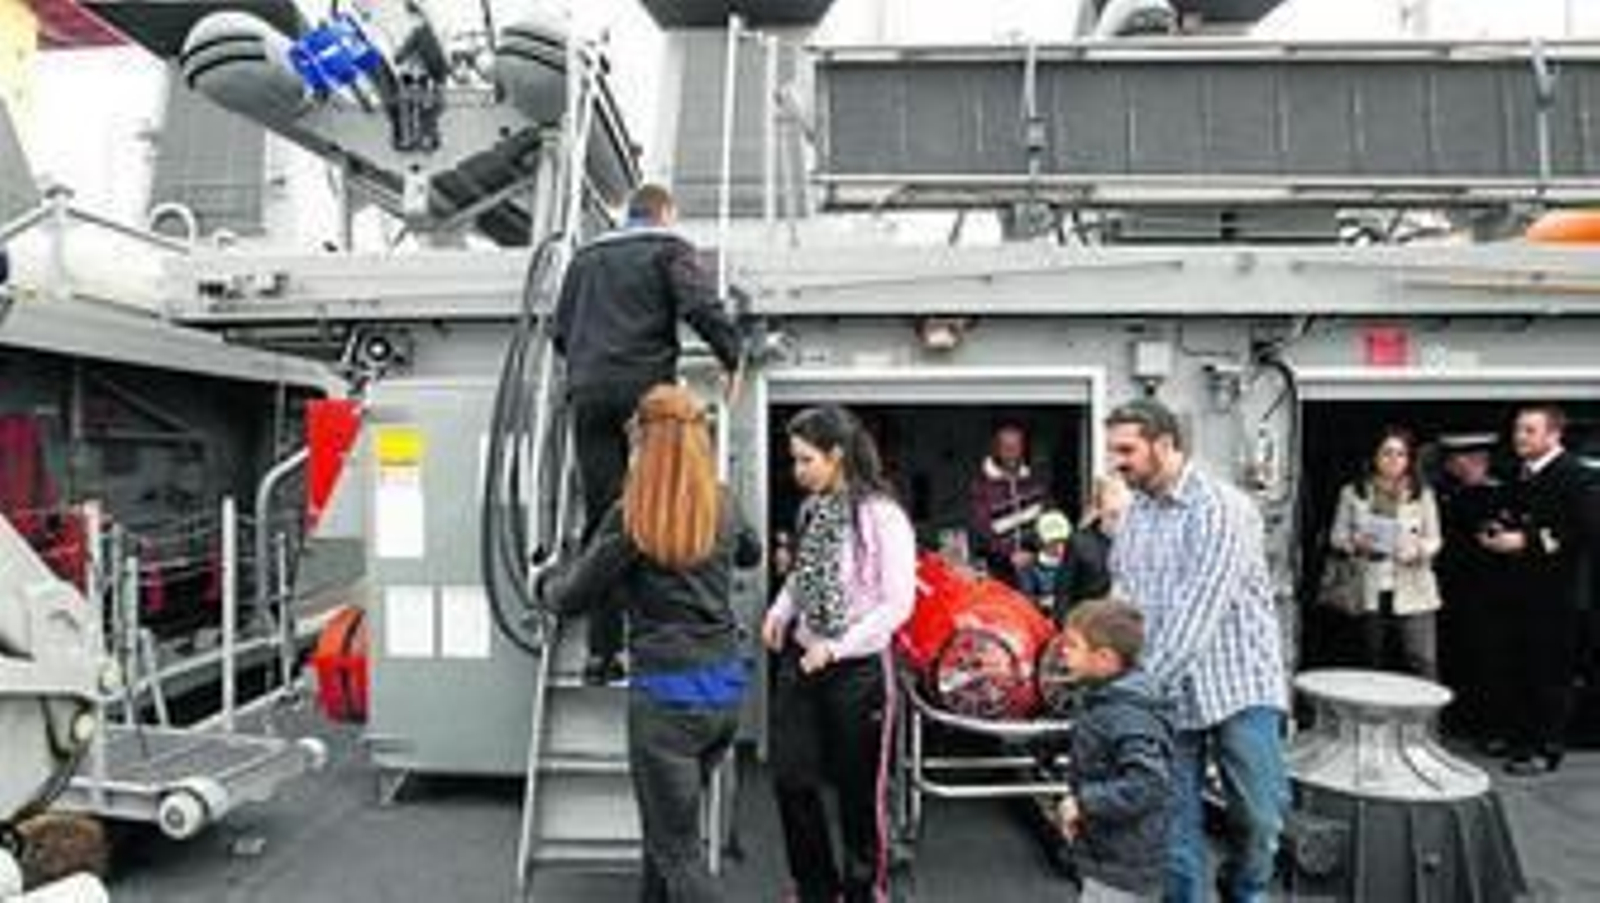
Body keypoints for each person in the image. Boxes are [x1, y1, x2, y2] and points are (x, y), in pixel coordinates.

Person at [537, 385, 761, 902]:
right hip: (723, 691)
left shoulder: (634, 514)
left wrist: (542, 584)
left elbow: (570, 596)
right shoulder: (723, 503)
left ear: (644, 441)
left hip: (667, 701)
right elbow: (748, 555)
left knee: (675, 848)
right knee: (666, 833)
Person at [553, 183, 746, 684]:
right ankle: (663, 641)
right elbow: (700, 307)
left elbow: (560, 332)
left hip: (590, 395)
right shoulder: (669, 248)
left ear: (627, 213)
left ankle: (601, 656)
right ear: (666, 213)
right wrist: (732, 356)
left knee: (604, 519)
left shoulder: (584, 259)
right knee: (664, 503)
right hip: (647, 399)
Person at [1103, 398, 1288, 903]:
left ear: (1164, 445)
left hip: (1239, 688)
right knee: (1172, 835)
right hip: (1167, 701)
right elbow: (1123, 600)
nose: (1115, 462)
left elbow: (1197, 614)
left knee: (1259, 820)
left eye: (1126, 450)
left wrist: (1131, 693)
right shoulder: (1135, 516)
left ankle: (1244, 889)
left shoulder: (1223, 509)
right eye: (1112, 450)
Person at [761, 405, 916, 903]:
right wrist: (781, 609)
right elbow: (803, 575)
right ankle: (815, 888)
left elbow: (898, 604)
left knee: (858, 791)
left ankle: (864, 889)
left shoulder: (883, 517)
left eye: (806, 460)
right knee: (792, 778)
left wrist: (839, 647)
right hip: (803, 660)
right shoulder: (812, 509)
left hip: (859, 671)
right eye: (794, 460)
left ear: (837, 456)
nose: (797, 471)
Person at [1480, 404, 1595, 775]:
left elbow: (1583, 531)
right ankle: (1519, 739)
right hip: (1518, 591)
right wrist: (1496, 530)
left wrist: (1525, 541)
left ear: (1553, 435)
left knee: (1550, 674)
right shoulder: (1521, 474)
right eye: (1518, 430)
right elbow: (1512, 514)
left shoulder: (1576, 475)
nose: (1520, 437)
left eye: (1529, 431)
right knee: (1518, 667)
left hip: (1556, 594)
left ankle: (1547, 748)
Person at [1048, 598, 1174, 903]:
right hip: (1110, 852)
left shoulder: (1126, 713)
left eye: (1073, 646)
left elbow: (1148, 783)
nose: (1062, 651)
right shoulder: (1105, 699)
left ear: (1104, 658)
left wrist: (1084, 803)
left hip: (1124, 863)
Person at [1326, 428, 1444, 679]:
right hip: (1368, 586)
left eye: (1401, 454)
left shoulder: (1422, 494)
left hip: (1414, 587)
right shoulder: (1352, 492)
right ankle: (1370, 717)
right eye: (1387, 453)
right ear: (1374, 457)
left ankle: (1426, 718)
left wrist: (1417, 550)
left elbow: (1435, 539)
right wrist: (1356, 543)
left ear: (1409, 460)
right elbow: (1336, 537)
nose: (1393, 460)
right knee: (1370, 660)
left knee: (1421, 660)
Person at [1432, 432, 1515, 747]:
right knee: (1457, 655)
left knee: (1490, 660)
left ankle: (1492, 727)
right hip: (1451, 589)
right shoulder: (1443, 492)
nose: (1456, 465)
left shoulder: (1498, 494)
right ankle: (1462, 719)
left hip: (1490, 592)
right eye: (1453, 460)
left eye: (1464, 458)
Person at [968, 423, 1051, 588]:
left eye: (1016, 446)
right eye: (1006, 446)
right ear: (996, 449)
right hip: (998, 570)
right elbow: (981, 529)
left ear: (1023, 448)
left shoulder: (1035, 482)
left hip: (1034, 567)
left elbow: (1048, 519)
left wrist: (1034, 551)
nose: (1011, 452)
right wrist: (1008, 555)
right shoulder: (982, 485)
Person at [1052, 475, 1131, 619]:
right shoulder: (1080, 542)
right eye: (1113, 515)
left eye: (1127, 514)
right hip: (1090, 625)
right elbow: (1062, 595)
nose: (1121, 522)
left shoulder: (1140, 541)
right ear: (1099, 510)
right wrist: (1068, 628)